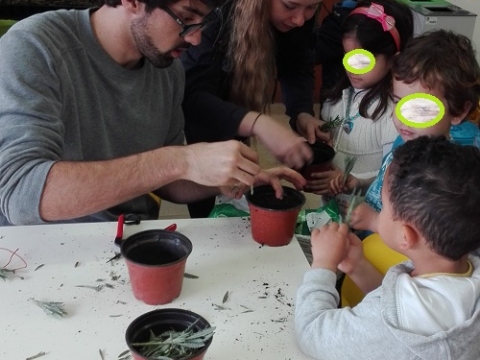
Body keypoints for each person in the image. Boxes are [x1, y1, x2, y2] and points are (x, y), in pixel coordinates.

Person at [0, 0, 305, 226]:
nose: (195, 38)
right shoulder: (35, 46)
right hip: (45, 254)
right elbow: (19, 192)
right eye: (186, 18)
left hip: (133, 243)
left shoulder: (168, 72)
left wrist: (231, 175)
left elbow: (165, 179)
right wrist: (179, 159)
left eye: (203, 23)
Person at [295, 136, 480, 360]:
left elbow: (311, 333)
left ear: (406, 235)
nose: (379, 213)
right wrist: (358, 266)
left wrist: (323, 266)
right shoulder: (459, 271)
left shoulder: (394, 328)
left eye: (383, 207)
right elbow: (398, 301)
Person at [180, 0, 321, 217]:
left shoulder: (298, 21)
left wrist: (302, 112)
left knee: (238, 185)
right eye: (289, 6)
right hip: (201, 126)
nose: (300, 20)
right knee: (209, 200)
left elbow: (296, 64)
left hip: (237, 112)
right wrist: (257, 123)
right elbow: (193, 96)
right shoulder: (216, 14)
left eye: (311, 8)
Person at [342, 29, 480, 233]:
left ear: (459, 110)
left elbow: (427, 240)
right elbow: (388, 179)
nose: (402, 118)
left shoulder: (449, 175)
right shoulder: (411, 136)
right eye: (398, 103)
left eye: (420, 108)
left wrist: (375, 222)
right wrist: (361, 183)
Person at [305, 0, 413, 197]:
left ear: (393, 60)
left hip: (368, 216)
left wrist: (357, 182)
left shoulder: (393, 115)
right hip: (334, 208)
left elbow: (394, 175)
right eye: (348, 56)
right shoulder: (336, 98)